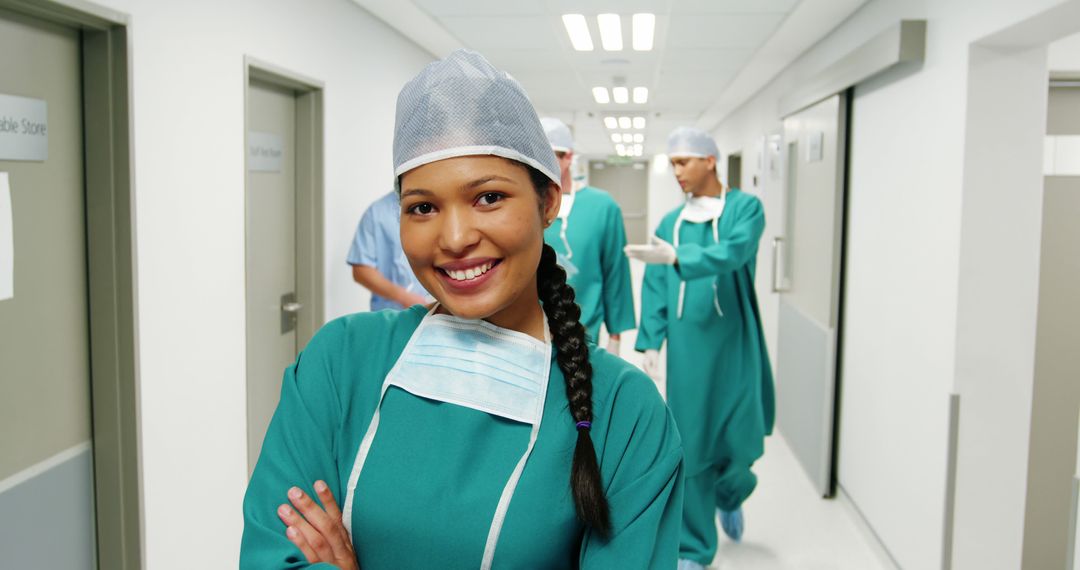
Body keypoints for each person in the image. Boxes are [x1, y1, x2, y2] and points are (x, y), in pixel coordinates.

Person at [241, 49, 684, 569]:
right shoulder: (339, 363)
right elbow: (271, 555)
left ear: (548, 204)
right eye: (422, 207)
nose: (453, 238)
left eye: (489, 197)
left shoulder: (624, 413)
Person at [625, 127, 775, 570]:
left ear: (710, 160)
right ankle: (694, 547)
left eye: (683, 162)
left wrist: (678, 259)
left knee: (740, 437)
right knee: (691, 445)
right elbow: (655, 286)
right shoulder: (669, 225)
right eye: (672, 164)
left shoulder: (744, 209)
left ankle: (732, 492)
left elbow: (734, 252)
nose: (677, 172)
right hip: (689, 352)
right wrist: (650, 340)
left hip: (734, 343)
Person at [540, 117, 636, 354]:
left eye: (549, 154)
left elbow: (615, 273)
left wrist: (615, 336)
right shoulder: (524, 205)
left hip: (585, 330)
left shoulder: (602, 206)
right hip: (529, 332)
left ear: (569, 157)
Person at [347, 190, 430, 310]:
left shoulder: (440, 206)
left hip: (440, 315)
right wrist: (404, 297)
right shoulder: (376, 213)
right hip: (394, 313)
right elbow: (361, 271)